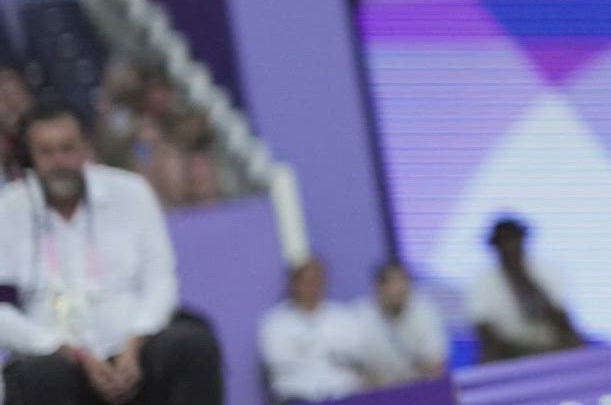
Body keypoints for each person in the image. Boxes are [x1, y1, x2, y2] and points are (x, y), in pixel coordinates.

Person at [0, 100, 224, 404]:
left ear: (85, 147)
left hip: (133, 346)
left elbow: (161, 279)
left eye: (68, 148)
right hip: (56, 356)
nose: (59, 162)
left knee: (192, 346)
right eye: (46, 152)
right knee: (35, 377)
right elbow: (3, 309)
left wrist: (134, 343)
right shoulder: (9, 210)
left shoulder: (130, 192)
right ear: (30, 158)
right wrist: (68, 350)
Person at [465, 217, 580, 363]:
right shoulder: (483, 281)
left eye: (514, 240)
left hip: (549, 343)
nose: (510, 247)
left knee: (575, 342)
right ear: (495, 247)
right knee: (489, 354)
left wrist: (524, 279)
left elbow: (561, 315)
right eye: (503, 242)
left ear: (523, 241)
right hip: (508, 349)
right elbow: (482, 326)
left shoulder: (548, 270)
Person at [258, 258, 365, 402]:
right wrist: (329, 350)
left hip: (343, 393)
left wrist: (305, 346)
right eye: (306, 281)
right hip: (296, 396)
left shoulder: (342, 316)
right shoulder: (275, 322)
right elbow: (277, 360)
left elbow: (358, 353)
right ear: (294, 284)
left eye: (316, 281)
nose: (312, 287)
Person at [350, 262, 447, 388]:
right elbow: (358, 372)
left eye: (403, 283)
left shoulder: (424, 310)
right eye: (392, 284)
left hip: (419, 388)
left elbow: (435, 365)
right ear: (378, 288)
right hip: (378, 391)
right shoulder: (360, 316)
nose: (399, 290)